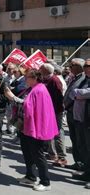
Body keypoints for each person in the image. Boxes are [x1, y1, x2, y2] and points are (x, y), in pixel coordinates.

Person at [4, 69, 58, 191]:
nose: (25, 79)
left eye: (27, 77)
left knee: (38, 155)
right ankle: (30, 176)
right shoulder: (32, 88)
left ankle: (45, 182)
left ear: (35, 78)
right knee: (27, 153)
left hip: (36, 128)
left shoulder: (39, 89)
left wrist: (13, 98)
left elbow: (27, 106)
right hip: (26, 126)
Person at [39, 63, 67, 167]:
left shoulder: (54, 80)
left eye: (41, 69)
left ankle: (62, 157)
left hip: (56, 111)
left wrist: (55, 111)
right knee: (49, 133)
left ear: (46, 70)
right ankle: (52, 154)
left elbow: (59, 98)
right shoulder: (44, 80)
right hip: (47, 111)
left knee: (57, 133)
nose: (39, 70)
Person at [68, 58, 90, 186]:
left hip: (88, 119)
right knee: (84, 147)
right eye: (85, 65)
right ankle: (87, 173)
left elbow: (81, 93)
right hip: (81, 118)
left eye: (88, 65)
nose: (86, 67)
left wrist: (78, 93)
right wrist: (78, 93)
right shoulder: (85, 80)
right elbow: (72, 94)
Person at [63, 58, 85, 172]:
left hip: (76, 112)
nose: (70, 67)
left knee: (80, 140)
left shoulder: (83, 78)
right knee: (74, 139)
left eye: (72, 65)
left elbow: (77, 94)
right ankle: (78, 162)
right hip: (70, 112)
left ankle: (82, 164)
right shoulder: (75, 77)